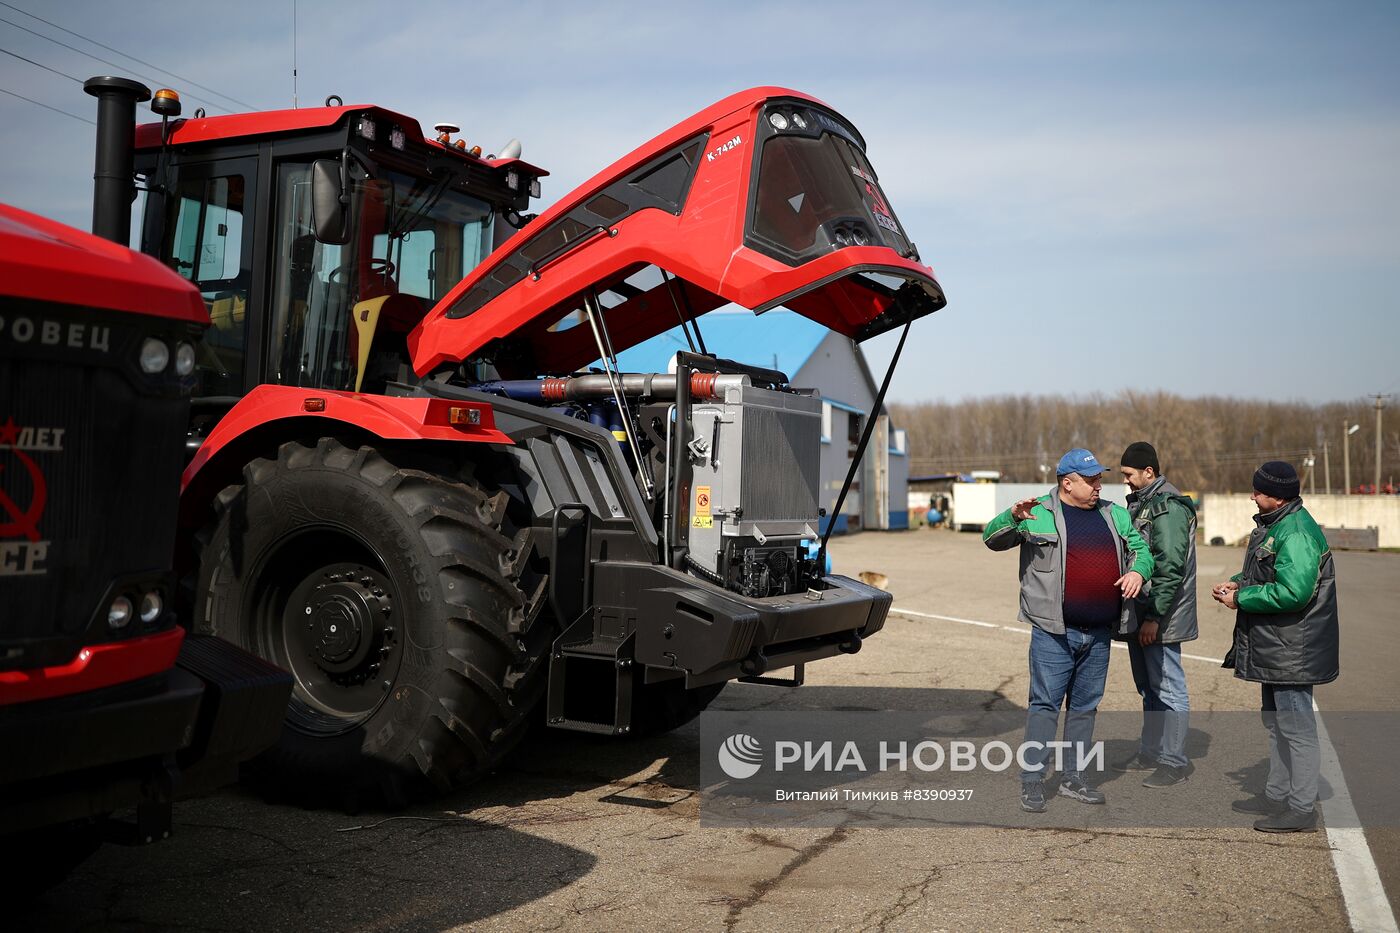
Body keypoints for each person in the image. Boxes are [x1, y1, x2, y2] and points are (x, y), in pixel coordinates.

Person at [983, 448, 1153, 813]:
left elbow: (1142, 550)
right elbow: (990, 539)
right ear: (1067, 482)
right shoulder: (1037, 512)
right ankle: (1032, 780)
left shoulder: (1115, 514)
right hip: (1053, 632)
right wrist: (1012, 517)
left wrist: (1139, 571)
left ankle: (1074, 777)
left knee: (1085, 708)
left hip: (1100, 632)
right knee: (1044, 705)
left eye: (1099, 479)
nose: (1098, 486)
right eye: (1090, 481)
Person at [1212, 460, 1339, 833]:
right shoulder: (1277, 525)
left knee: (1296, 729)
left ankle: (1300, 808)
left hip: (1292, 649)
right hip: (1277, 646)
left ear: (1278, 495)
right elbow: (1269, 572)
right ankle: (1276, 794)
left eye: (1259, 491)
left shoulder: (1296, 532)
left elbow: (1294, 592)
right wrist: (1238, 583)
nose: (1253, 495)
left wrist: (1242, 599)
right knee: (1276, 724)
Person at [1114, 442, 1197, 788]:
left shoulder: (1167, 508)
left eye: (1129, 475)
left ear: (1149, 472)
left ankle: (1174, 761)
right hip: (1145, 611)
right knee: (1149, 689)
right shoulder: (1144, 503)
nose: (1126, 482)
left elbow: (1170, 567)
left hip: (1161, 615)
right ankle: (1151, 751)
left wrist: (1154, 618)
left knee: (1170, 689)